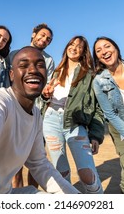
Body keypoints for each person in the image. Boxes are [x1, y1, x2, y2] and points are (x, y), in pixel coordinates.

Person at [0, 46, 80, 194]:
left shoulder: (37, 115)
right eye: (23, 65)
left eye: (40, 65)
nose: (33, 70)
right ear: (11, 75)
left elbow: (39, 164)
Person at [42, 35, 105, 194]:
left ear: (84, 52)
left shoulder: (90, 74)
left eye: (79, 46)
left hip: (76, 123)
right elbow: (44, 98)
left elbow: (97, 107)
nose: (74, 48)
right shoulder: (56, 71)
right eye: (71, 44)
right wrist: (45, 95)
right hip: (50, 121)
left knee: (87, 174)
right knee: (60, 173)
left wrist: (96, 135)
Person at [9, 23, 55, 188]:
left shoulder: (49, 60)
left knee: (37, 158)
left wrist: (46, 93)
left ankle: (32, 196)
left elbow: (46, 85)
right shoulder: (14, 54)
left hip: (36, 113)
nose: (44, 40)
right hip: (15, 111)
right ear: (33, 34)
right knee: (15, 162)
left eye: (48, 39)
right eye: (42, 35)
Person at [93, 36, 124, 194]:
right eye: (99, 50)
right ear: (97, 57)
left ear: (116, 48)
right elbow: (109, 113)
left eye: (107, 46)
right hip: (118, 125)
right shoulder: (98, 81)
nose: (104, 52)